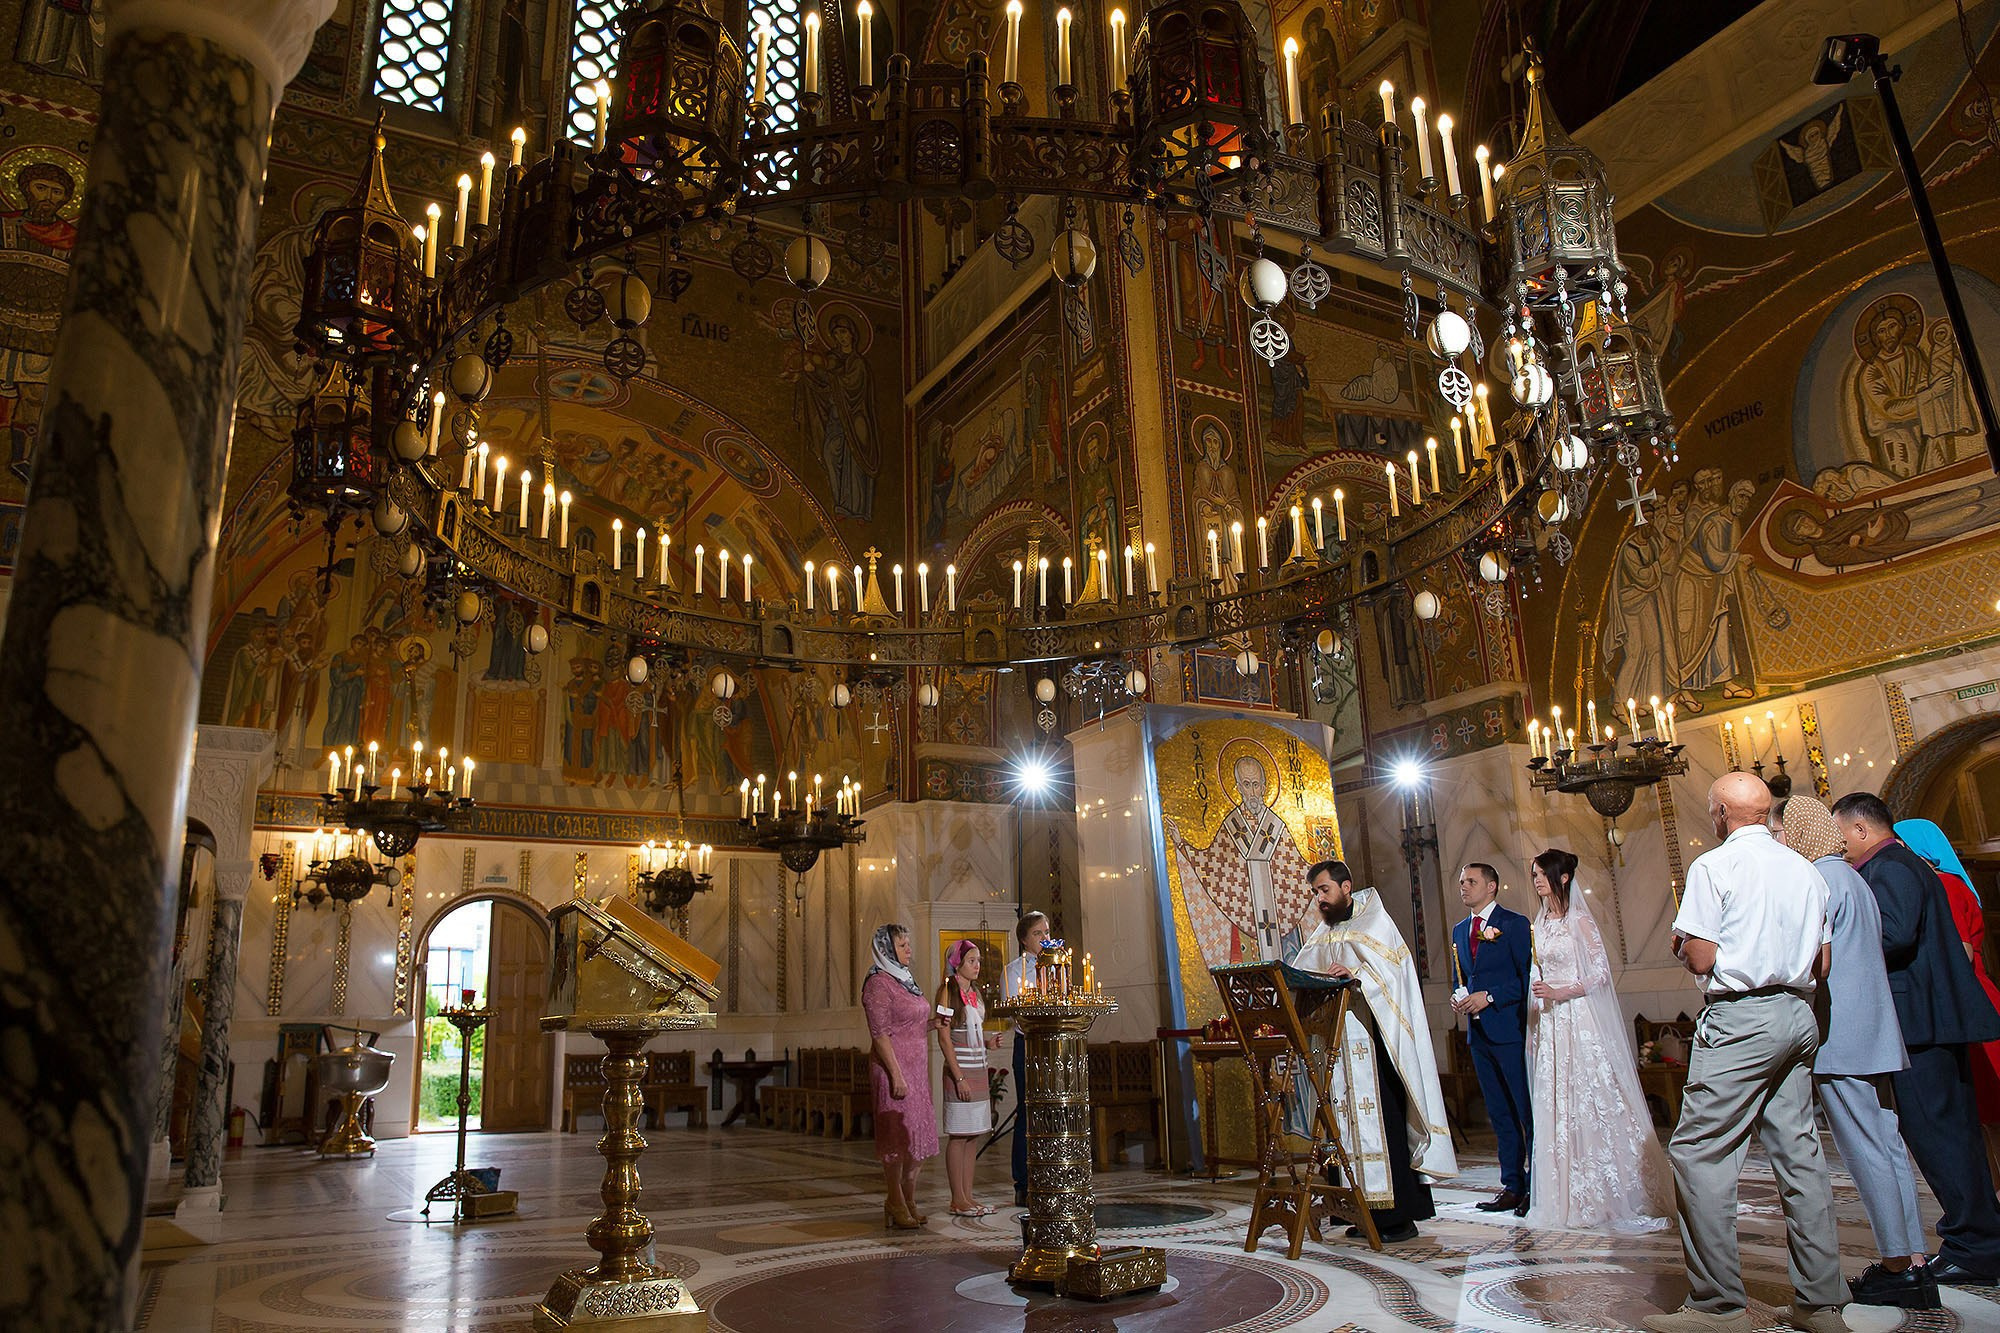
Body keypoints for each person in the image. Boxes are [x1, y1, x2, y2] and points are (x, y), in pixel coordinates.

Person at [1647, 772, 1845, 1333]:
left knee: (1699, 1152)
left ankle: (1718, 1307)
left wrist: (1684, 945)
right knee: (1799, 1152)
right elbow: (1823, 963)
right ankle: (1821, 1304)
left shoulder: (1714, 866)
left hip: (1742, 1018)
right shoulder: (1806, 870)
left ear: (1719, 814)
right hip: (1799, 1014)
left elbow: (1703, 958)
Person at [1832, 792, 2000, 1284]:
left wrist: (1837, 944)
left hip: (1921, 1024)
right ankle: (1980, 1238)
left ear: (1861, 829)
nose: (1840, 846)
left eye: (1841, 835)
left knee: (1940, 1136)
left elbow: (1895, 933)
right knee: (1949, 1134)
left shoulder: (1890, 866)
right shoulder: (1901, 864)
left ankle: (1974, 1246)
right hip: (1928, 1021)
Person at [1774, 797, 1935, 1311]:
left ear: (1800, 832)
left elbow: (1812, 962)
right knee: (1887, 1147)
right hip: (1876, 1030)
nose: (1779, 845)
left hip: (1842, 1036)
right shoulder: (1850, 875)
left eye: (1781, 834)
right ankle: (1913, 1260)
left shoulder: (1819, 881)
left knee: (1867, 1151)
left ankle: (1897, 1266)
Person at [1291, 859, 1457, 1242]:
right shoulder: (1325, 932)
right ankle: (1360, 1212)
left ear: (1346, 887)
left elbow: (1394, 977)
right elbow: (1305, 971)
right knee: (1346, 1127)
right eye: (1315, 892)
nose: (1319, 899)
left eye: (1324, 890)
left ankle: (1397, 1218)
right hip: (1340, 1050)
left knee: (1386, 1123)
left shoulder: (1376, 923)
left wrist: (1357, 977)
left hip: (1377, 1044)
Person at [1523, 848, 1672, 1233]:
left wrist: (1561, 991)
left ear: (1563, 877)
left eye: (1541, 874)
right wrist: (1537, 1004)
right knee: (1559, 1102)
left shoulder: (1579, 921)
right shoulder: (1539, 923)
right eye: (1534, 874)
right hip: (1551, 1022)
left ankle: (1609, 1192)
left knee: (1591, 1098)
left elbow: (1601, 974)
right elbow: (1536, 971)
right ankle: (1566, 1195)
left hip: (1578, 1018)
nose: (1536, 880)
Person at [1896, 816, 2000, 1187]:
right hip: (1969, 999)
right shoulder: (1946, 883)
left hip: (1966, 1004)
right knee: (1981, 1119)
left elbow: (1962, 951)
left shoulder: (1943, 884)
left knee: (1988, 1116)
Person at [1449, 862, 1532, 1215]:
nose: (1464, 887)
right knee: (1498, 1113)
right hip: (1478, 1035)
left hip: (1510, 1031)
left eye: (1471, 881)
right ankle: (1512, 1185)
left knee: (1524, 1110)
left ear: (1492, 886)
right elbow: (1461, 976)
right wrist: (1459, 996)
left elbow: (1527, 979)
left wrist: (1491, 996)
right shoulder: (1459, 930)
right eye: (1461, 882)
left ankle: (1536, 1187)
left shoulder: (1513, 924)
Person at [862, 923, 939, 1230]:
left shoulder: (905, 979)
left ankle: (908, 1199)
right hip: (892, 1068)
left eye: (908, 944)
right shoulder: (878, 983)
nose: (909, 950)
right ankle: (894, 1199)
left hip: (916, 1069)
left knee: (917, 1134)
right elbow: (880, 1034)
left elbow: (910, 1024)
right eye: (903, 945)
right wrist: (896, 1075)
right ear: (887, 950)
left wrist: (934, 1024)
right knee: (896, 1136)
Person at [936, 938, 1001, 1217]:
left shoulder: (975, 993)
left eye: (978, 961)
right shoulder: (947, 991)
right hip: (959, 1072)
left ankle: (968, 1196)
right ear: (957, 963)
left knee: (973, 1135)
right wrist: (959, 1077)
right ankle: (957, 1199)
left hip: (978, 1070)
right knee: (959, 1134)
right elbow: (944, 1037)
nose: (977, 966)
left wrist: (987, 1043)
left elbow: (971, 1032)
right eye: (971, 961)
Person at [1002, 910, 1050, 1208]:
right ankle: (1023, 1182)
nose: (1044, 938)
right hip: (1028, 1044)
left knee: (1052, 1111)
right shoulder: (1013, 971)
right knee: (1028, 1110)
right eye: (1037, 933)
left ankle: (1051, 1174)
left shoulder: (1058, 967)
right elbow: (1014, 1013)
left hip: (1054, 1046)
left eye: (1046, 932)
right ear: (1024, 939)